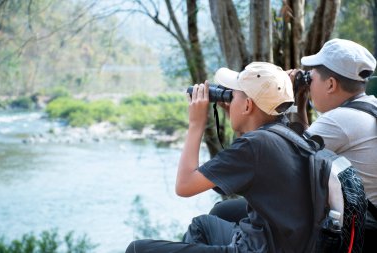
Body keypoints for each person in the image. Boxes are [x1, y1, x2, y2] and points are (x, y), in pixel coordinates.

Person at [208, 38, 377, 252]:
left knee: (222, 212)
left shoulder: (339, 120)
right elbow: (308, 150)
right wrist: (301, 102)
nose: (307, 82)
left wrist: (247, 117)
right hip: (356, 220)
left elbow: (283, 157)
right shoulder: (368, 107)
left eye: (310, 77)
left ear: (331, 84)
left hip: (348, 230)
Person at [125, 62, 313, 253]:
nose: (229, 99)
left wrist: (196, 124)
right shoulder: (287, 134)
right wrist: (237, 117)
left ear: (247, 105)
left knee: (137, 249)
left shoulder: (254, 146)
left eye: (234, 94)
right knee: (202, 226)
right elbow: (252, 163)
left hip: (256, 249)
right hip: (279, 244)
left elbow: (184, 185)